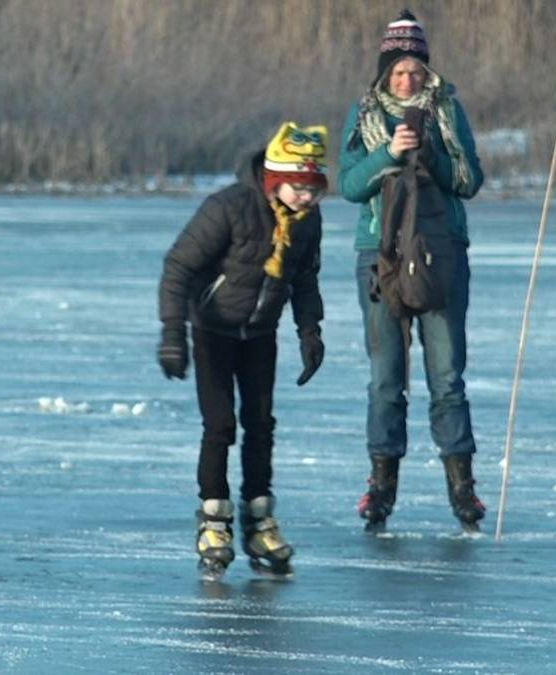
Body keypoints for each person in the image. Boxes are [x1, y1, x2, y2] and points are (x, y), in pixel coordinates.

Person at [157, 122, 328, 578]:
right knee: (220, 426)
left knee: (260, 424)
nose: (306, 197)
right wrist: (173, 333)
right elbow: (179, 267)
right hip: (214, 330)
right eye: (298, 187)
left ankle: (259, 519)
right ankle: (214, 520)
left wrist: (309, 332)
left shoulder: (307, 222)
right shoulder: (228, 208)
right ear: (275, 179)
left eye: (313, 188)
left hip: (260, 334)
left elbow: (305, 278)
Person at [338, 10, 487, 533]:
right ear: (384, 72)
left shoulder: (446, 108)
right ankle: (380, 489)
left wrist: (430, 157)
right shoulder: (364, 113)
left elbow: (469, 179)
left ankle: (463, 491)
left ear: (426, 70)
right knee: (386, 378)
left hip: (441, 253)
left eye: (415, 69)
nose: (407, 79)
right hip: (379, 257)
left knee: (447, 377)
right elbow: (350, 185)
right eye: (398, 70)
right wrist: (387, 153)